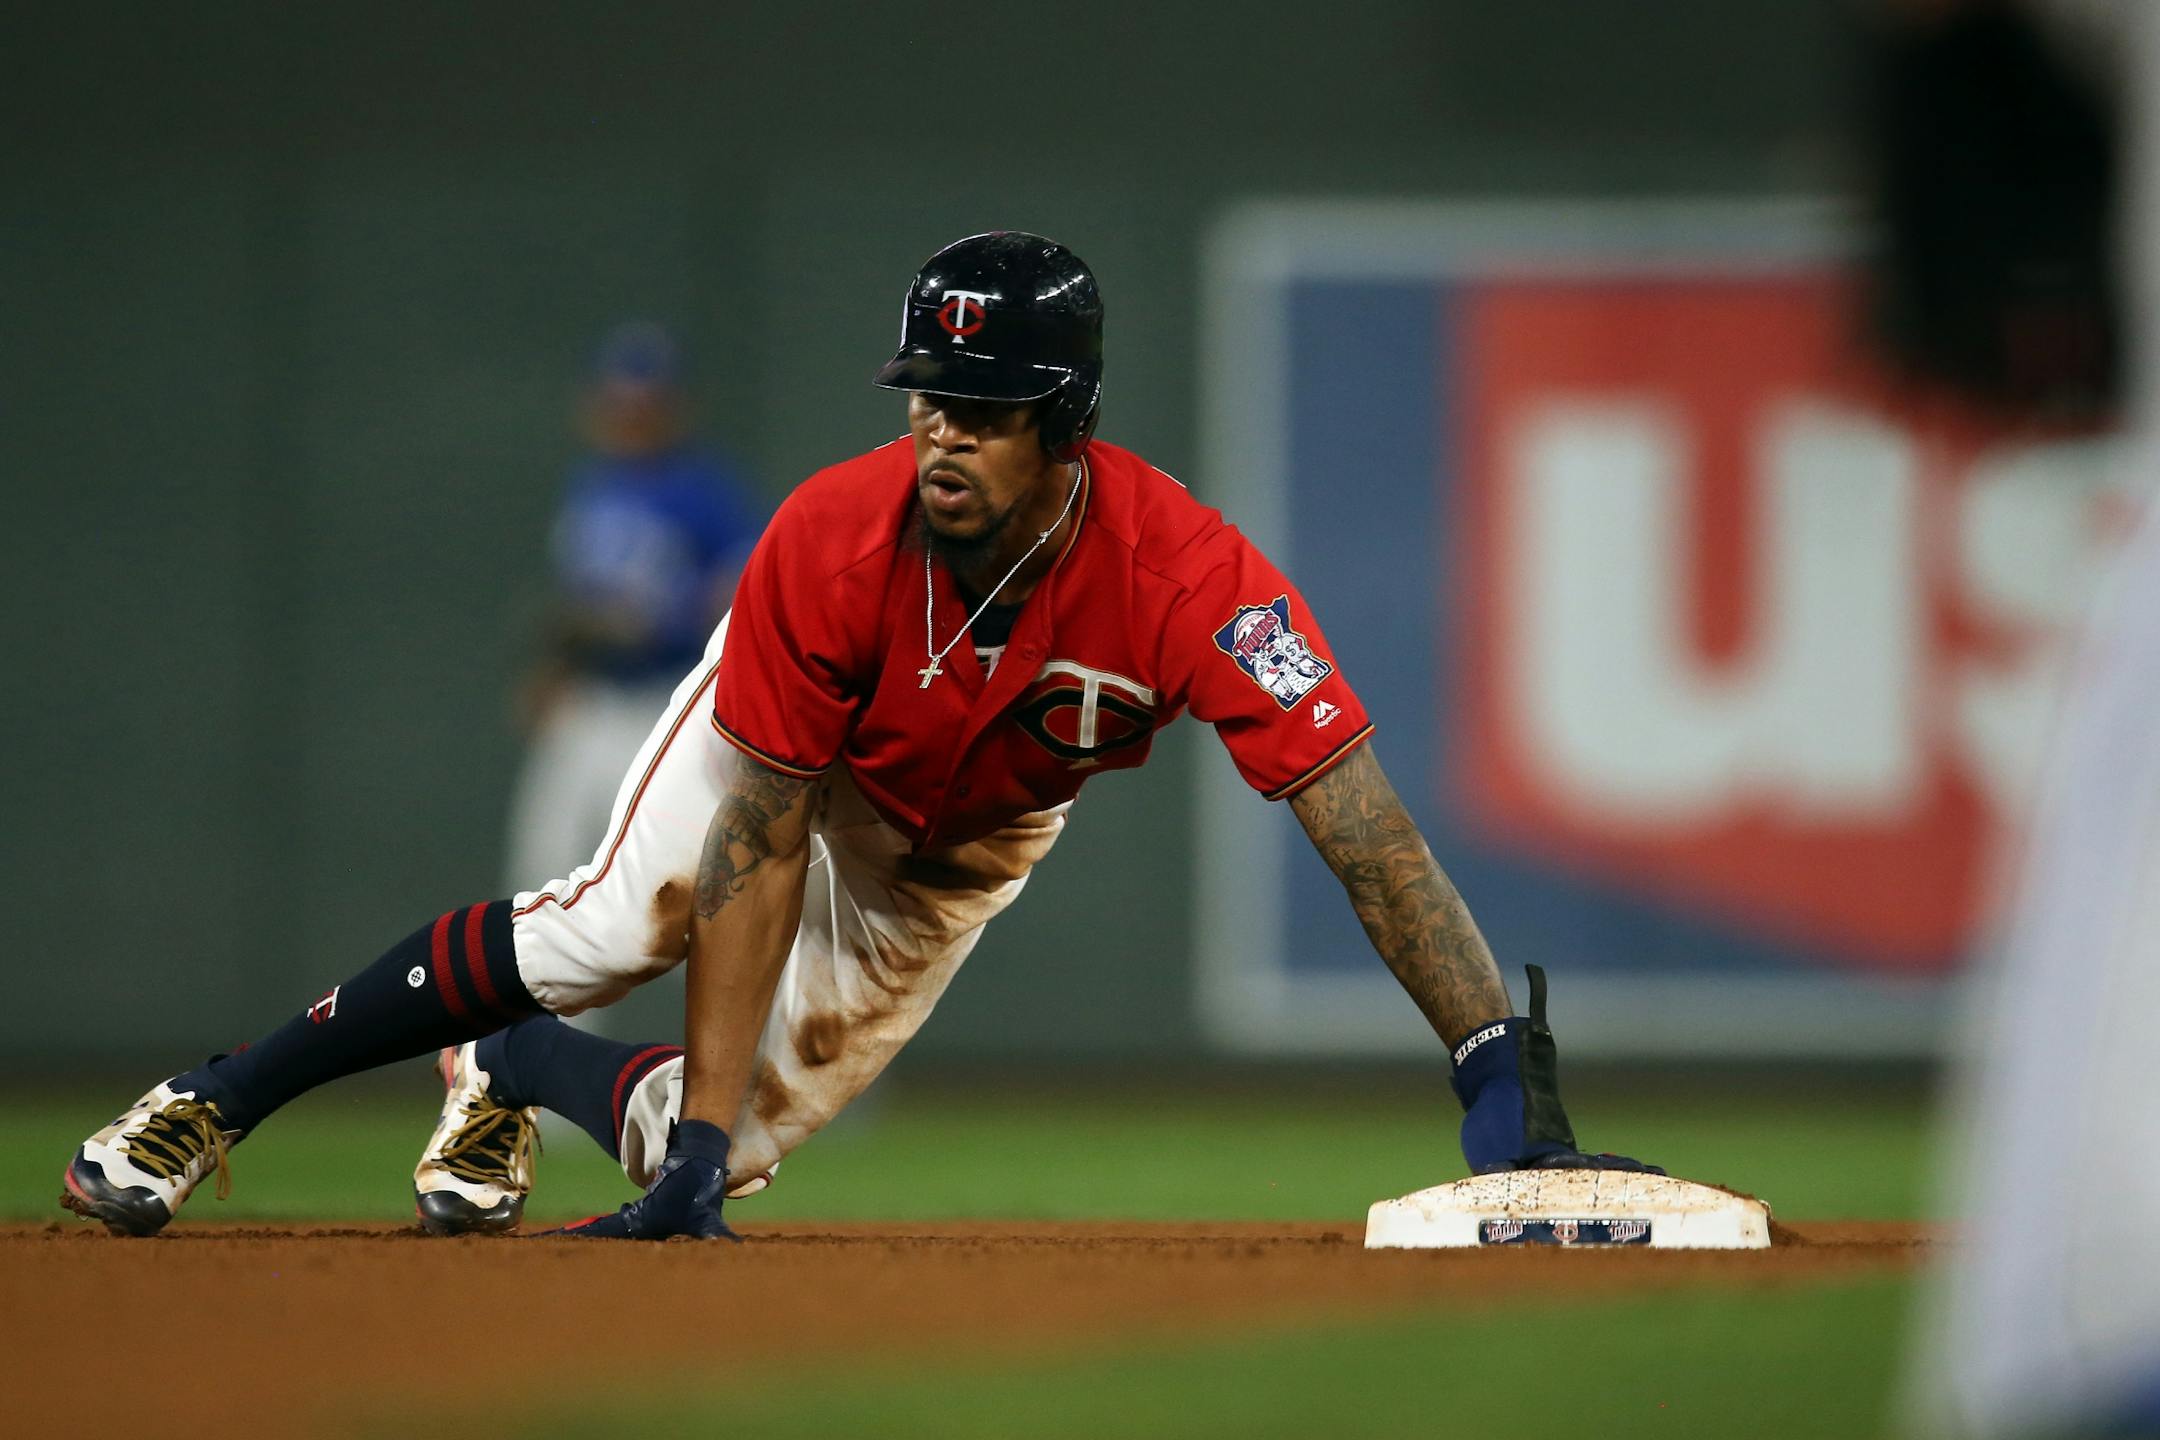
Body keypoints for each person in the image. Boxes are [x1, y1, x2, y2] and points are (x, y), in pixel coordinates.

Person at [62, 233, 1652, 1243]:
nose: (941, 430)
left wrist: (1484, 1047)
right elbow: (754, 847)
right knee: (624, 919)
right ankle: (211, 1098)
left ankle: (508, 1069)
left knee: (736, 1142)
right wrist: (683, 1126)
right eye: (925, 396)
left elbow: (1359, 823)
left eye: (984, 405)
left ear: (1068, 421)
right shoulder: (831, 538)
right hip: (786, 758)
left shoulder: (1183, 579)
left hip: (959, 844)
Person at [503, 321, 763, 894]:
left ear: (674, 407)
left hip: (665, 705)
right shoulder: (593, 483)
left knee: (673, 891)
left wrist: (656, 622)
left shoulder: (706, 492)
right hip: (591, 704)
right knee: (539, 883)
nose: (630, 414)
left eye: (645, 402)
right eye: (619, 399)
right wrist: (556, 667)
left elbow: (740, 600)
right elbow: (580, 600)